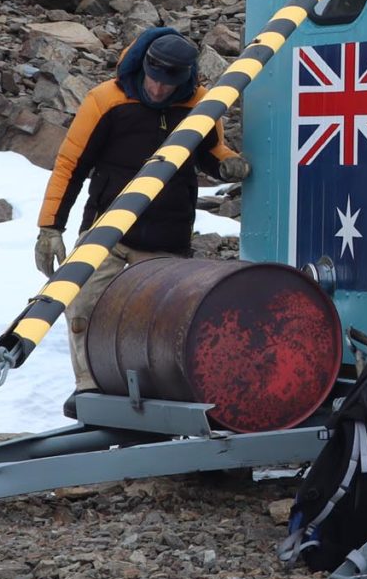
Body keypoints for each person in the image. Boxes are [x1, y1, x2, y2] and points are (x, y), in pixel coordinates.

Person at [34, 27, 250, 389]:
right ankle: (90, 386)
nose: (158, 89)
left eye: (168, 84)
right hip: (107, 233)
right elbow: (71, 165)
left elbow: (210, 150)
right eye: (154, 79)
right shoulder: (105, 101)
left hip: (167, 238)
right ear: (143, 66)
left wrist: (226, 163)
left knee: (155, 324)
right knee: (82, 306)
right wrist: (50, 228)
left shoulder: (201, 103)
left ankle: (147, 394)